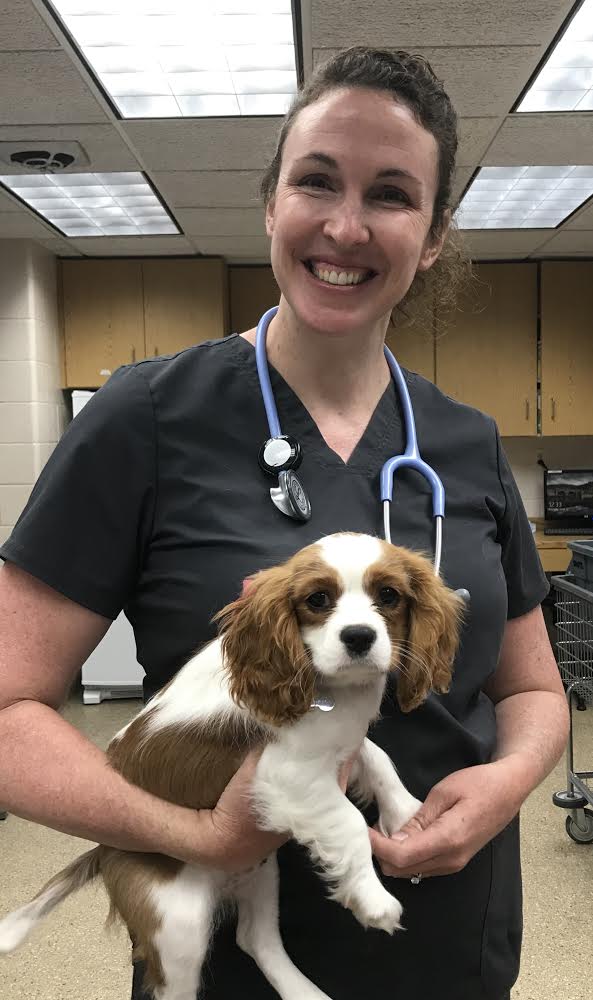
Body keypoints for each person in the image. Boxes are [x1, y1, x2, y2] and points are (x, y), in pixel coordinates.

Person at [0, 46, 568, 1000]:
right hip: (222, 954)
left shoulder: (463, 441)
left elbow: (534, 693)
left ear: (431, 236)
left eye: (390, 194)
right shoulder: (145, 417)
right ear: (270, 204)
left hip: (446, 940)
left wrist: (505, 786)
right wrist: (202, 836)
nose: (344, 226)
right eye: (316, 181)